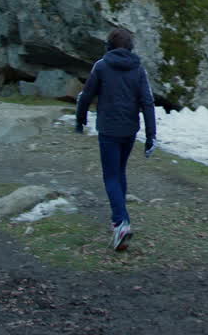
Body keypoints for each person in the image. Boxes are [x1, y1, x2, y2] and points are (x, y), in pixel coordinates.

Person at [75, 27, 157, 251]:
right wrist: (151, 135)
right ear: (130, 47)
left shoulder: (101, 66)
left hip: (108, 129)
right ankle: (120, 221)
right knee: (119, 172)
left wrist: (80, 120)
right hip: (129, 129)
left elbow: (86, 95)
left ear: (109, 46)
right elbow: (147, 102)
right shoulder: (138, 69)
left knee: (111, 176)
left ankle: (121, 223)